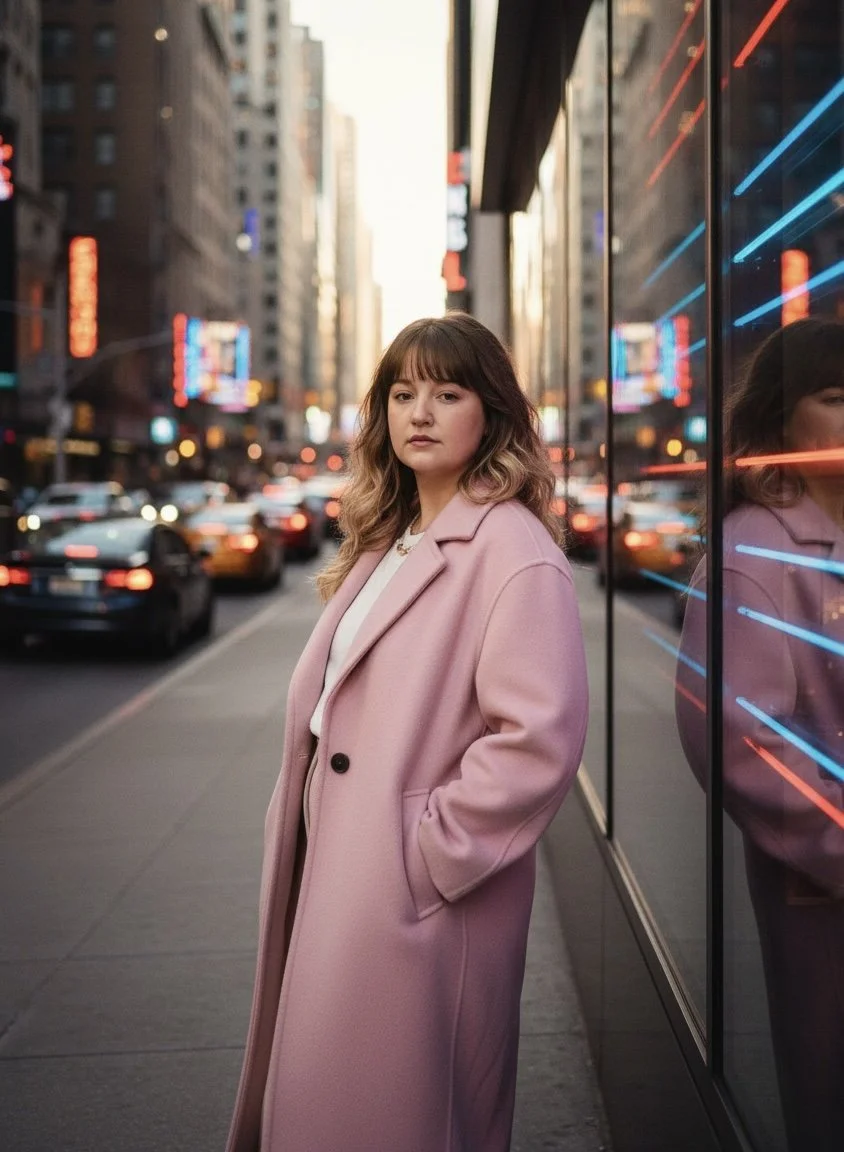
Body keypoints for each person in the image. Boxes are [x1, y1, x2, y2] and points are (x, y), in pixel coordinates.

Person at [225, 313, 588, 1152]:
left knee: (407, 1117)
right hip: (339, 872)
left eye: (447, 392)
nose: (420, 411)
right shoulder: (389, 538)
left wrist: (427, 856)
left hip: (414, 904)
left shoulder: (512, 550)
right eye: (402, 392)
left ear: (491, 413)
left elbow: (537, 739)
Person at [675, 317, 844, 1152]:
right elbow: (743, 742)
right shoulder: (756, 552)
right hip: (824, 893)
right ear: (784, 420)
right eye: (837, 398)